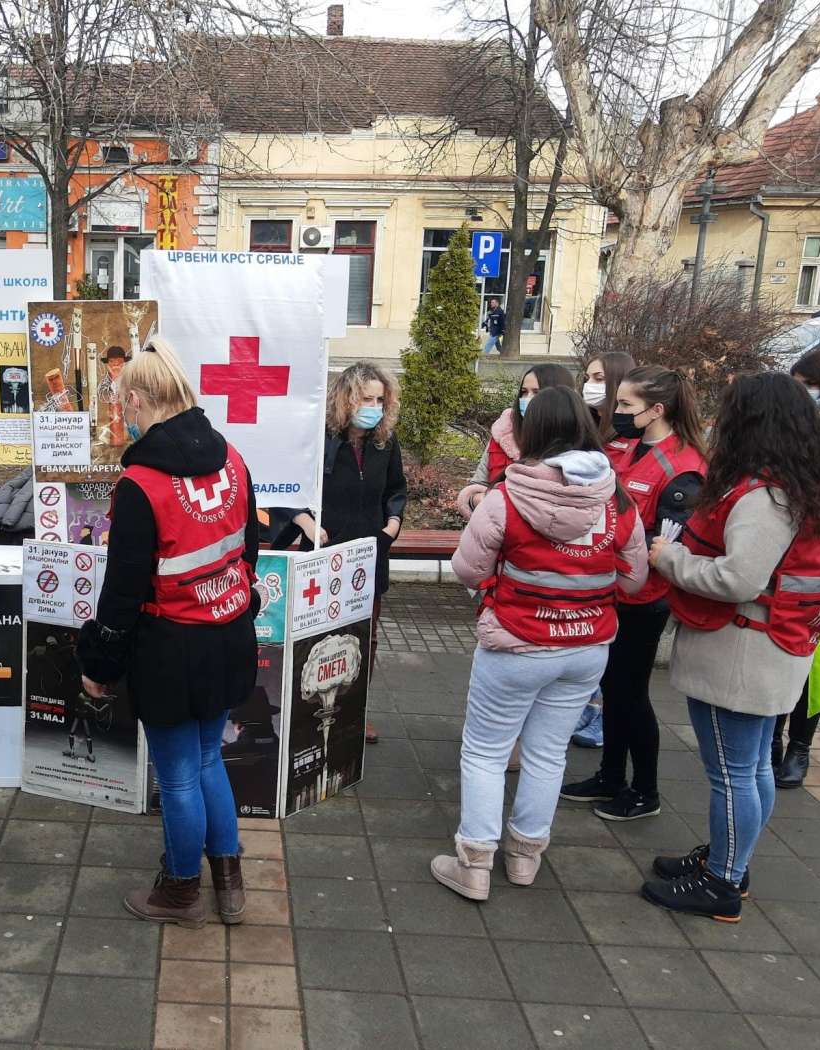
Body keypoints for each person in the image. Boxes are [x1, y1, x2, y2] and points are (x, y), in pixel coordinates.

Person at [432, 386, 648, 900]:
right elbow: (635, 579)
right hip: (587, 648)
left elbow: (467, 569)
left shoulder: (507, 497)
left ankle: (475, 865)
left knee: (485, 752)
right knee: (548, 754)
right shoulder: (618, 501)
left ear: (532, 434)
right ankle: (525, 859)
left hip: (516, 643)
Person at [644, 372, 820, 922]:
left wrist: (669, 558)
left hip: (742, 652)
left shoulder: (763, 497)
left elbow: (738, 579)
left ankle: (723, 882)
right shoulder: (795, 486)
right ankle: (732, 857)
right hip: (765, 649)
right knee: (751, 767)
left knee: (731, 771)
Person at [77, 337, 259, 928]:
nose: (121, 411)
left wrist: (99, 666)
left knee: (179, 773)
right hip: (228, 635)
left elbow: (123, 590)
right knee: (209, 760)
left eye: (121, 401)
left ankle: (180, 892)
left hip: (170, 648)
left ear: (135, 399)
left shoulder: (141, 485)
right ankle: (228, 883)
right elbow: (248, 550)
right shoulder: (232, 458)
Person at [562, 367, 707, 822]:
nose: (617, 413)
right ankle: (609, 776)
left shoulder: (683, 466)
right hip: (606, 590)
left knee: (631, 692)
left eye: (625, 406)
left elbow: (669, 540)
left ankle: (645, 790)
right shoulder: (619, 448)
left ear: (657, 410)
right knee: (609, 687)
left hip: (644, 598)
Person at [269, 362, 406, 744]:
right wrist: (305, 521)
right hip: (326, 554)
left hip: (369, 554)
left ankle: (355, 712)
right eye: (366, 398)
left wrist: (392, 525)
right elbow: (286, 488)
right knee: (320, 635)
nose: (374, 406)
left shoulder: (385, 441)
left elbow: (396, 489)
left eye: (380, 399)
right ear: (347, 399)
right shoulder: (319, 440)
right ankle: (311, 710)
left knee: (365, 638)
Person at [773, 347, 820, 786]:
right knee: (785, 655)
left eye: (809, 386)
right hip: (790, 553)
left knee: (810, 664)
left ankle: (800, 746)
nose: (803, 395)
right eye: (797, 386)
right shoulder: (795, 429)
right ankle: (772, 741)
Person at [569, 351, 638, 749]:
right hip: (593, 563)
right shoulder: (592, 430)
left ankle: (601, 717)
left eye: (598, 377)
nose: (589, 384)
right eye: (587, 376)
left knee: (617, 661)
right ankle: (588, 708)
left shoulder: (628, 442)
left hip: (617, 565)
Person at [457, 364, 576, 519]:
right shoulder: (502, 434)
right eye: (524, 392)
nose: (527, 399)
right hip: (496, 530)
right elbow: (477, 486)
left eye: (537, 393)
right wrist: (478, 500)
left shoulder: (576, 445)